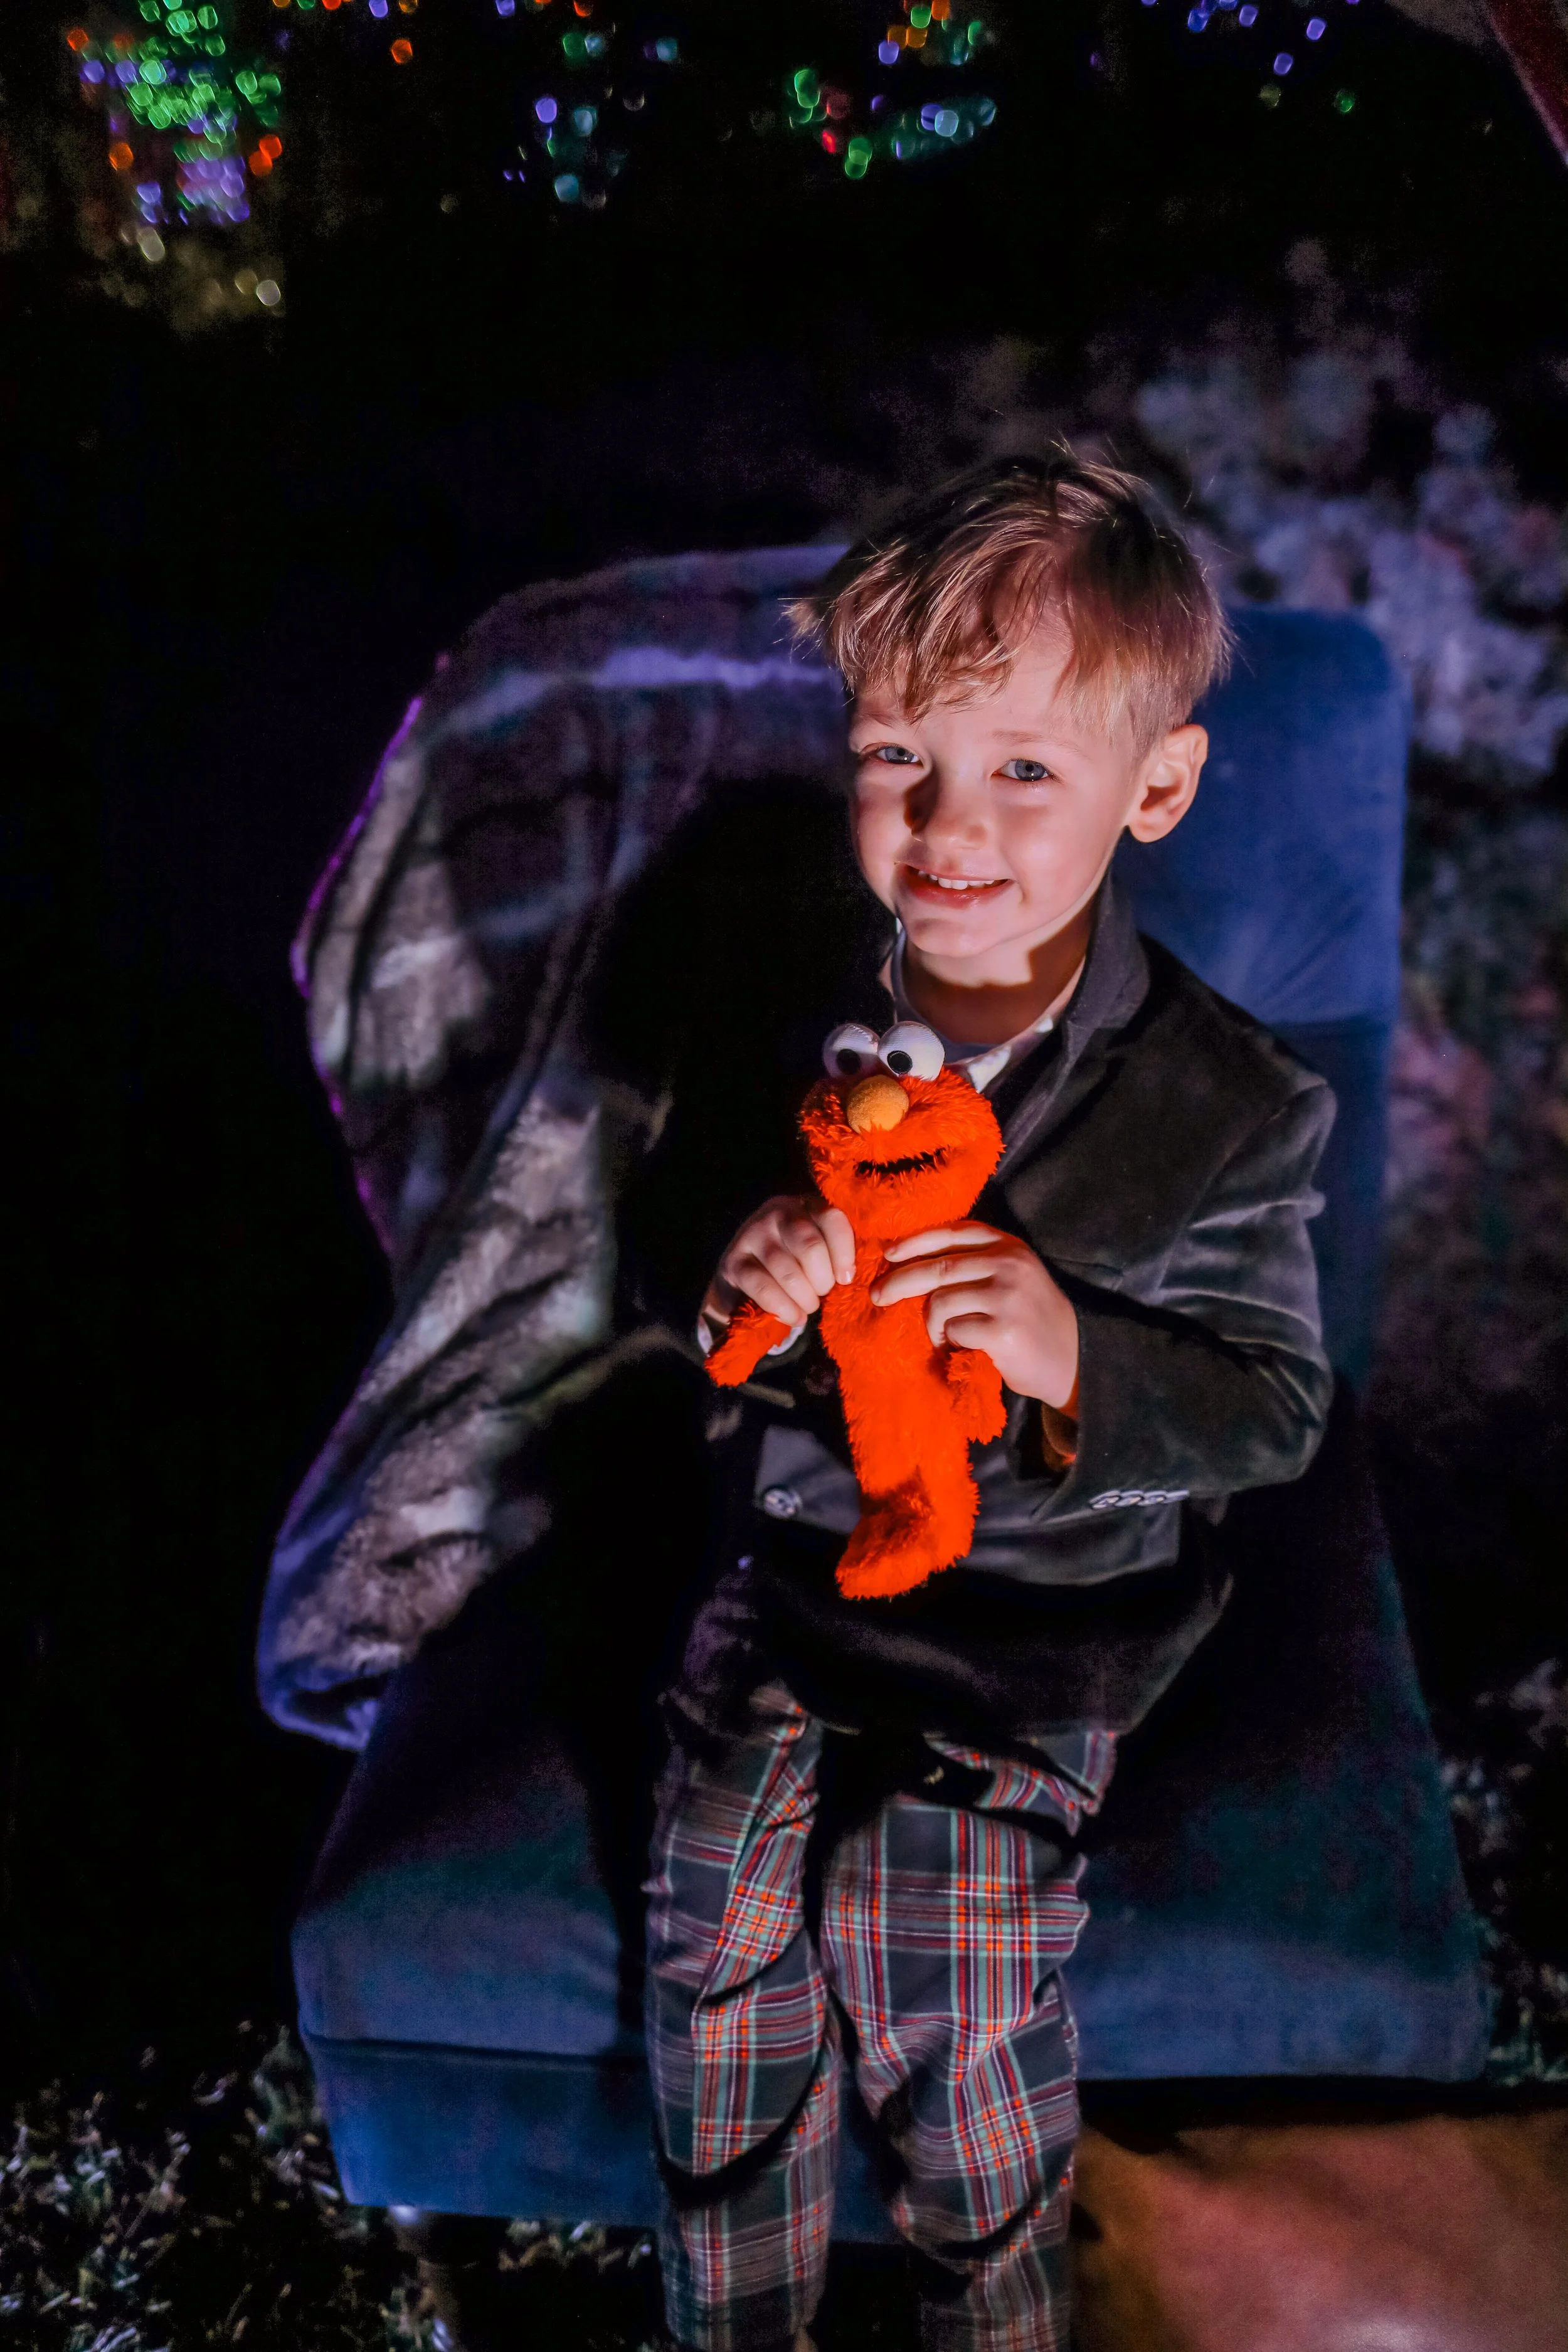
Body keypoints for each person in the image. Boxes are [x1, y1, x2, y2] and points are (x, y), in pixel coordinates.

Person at [641, 455, 1335, 2352]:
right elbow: (671, 1245)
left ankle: (998, 2316)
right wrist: (735, 1277)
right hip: (800, 1575)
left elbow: (1273, 1406)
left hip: (1046, 1618)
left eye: (1026, 767)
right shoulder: (789, 1026)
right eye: (899, 755)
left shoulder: (1232, 1104)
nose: (949, 825)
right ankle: (739, 2323)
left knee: (928, 1942)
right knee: (710, 1924)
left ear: (1155, 788)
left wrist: (1069, 1353)